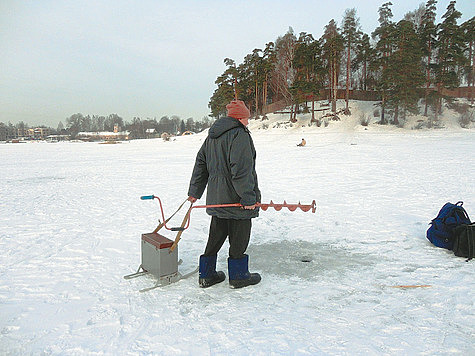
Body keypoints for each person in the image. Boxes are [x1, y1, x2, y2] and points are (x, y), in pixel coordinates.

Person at [188, 99, 261, 289]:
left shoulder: (212, 136)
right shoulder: (239, 135)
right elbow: (242, 170)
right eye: (246, 118)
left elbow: (200, 164)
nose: (248, 122)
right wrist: (248, 197)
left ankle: (207, 274)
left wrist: (195, 191)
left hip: (217, 198)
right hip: (236, 200)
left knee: (217, 233)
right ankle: (239, 277)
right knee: (239, 235)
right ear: (240, 117)